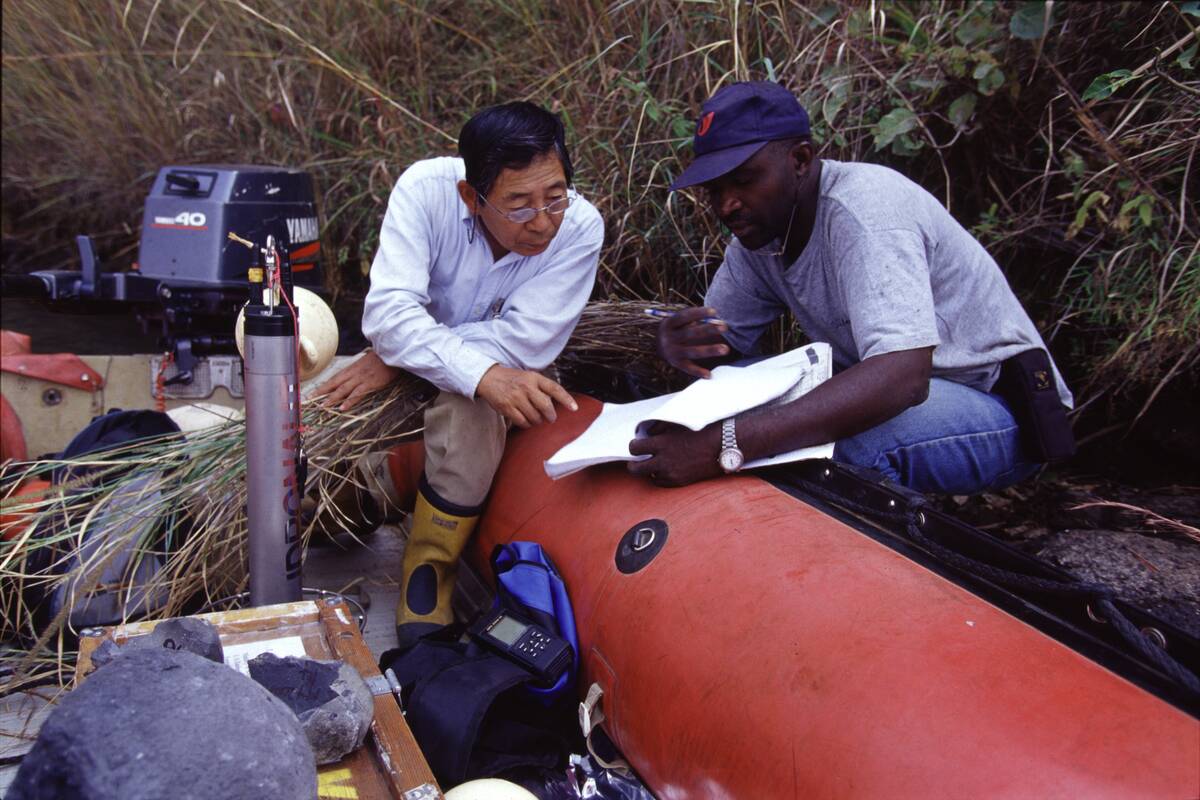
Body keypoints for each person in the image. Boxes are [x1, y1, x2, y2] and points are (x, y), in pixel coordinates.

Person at [628, 81, 1072, 495]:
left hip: (999, 407)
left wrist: (723, 446)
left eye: (743, 180)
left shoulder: (866, 212)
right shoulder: (759, 233)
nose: (726, 204)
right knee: (722, 403)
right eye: (714, 189)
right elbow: (724, 350)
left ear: (800, 160)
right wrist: (679, 344)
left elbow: (903, 380)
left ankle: (883, 567)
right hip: (902, 392)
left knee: (839, 451)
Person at [317, 102, 603, 646]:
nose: (543, 222)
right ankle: (345, 506)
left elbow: (528, 340)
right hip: (415, 378)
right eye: (518, 204)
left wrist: (408, 351)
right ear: (472, 197)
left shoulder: (580, 227)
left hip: (465, 375)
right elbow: (386, 314)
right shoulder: (426, 191)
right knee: (332, 464)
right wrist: (446, 357)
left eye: (555, 197)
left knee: (477, 405)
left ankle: (428, 578)